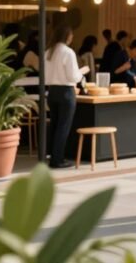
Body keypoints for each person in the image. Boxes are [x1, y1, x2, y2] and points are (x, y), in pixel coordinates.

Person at [45, 26, 90, 168]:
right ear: (68, 37)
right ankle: (57, 159)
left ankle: (50, 154)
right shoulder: (68, 52)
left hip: (52, 92)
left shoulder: (48, 52)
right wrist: (82, 72)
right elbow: (73, 76)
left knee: (54, 124)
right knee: (63, 126)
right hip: (66, 92)